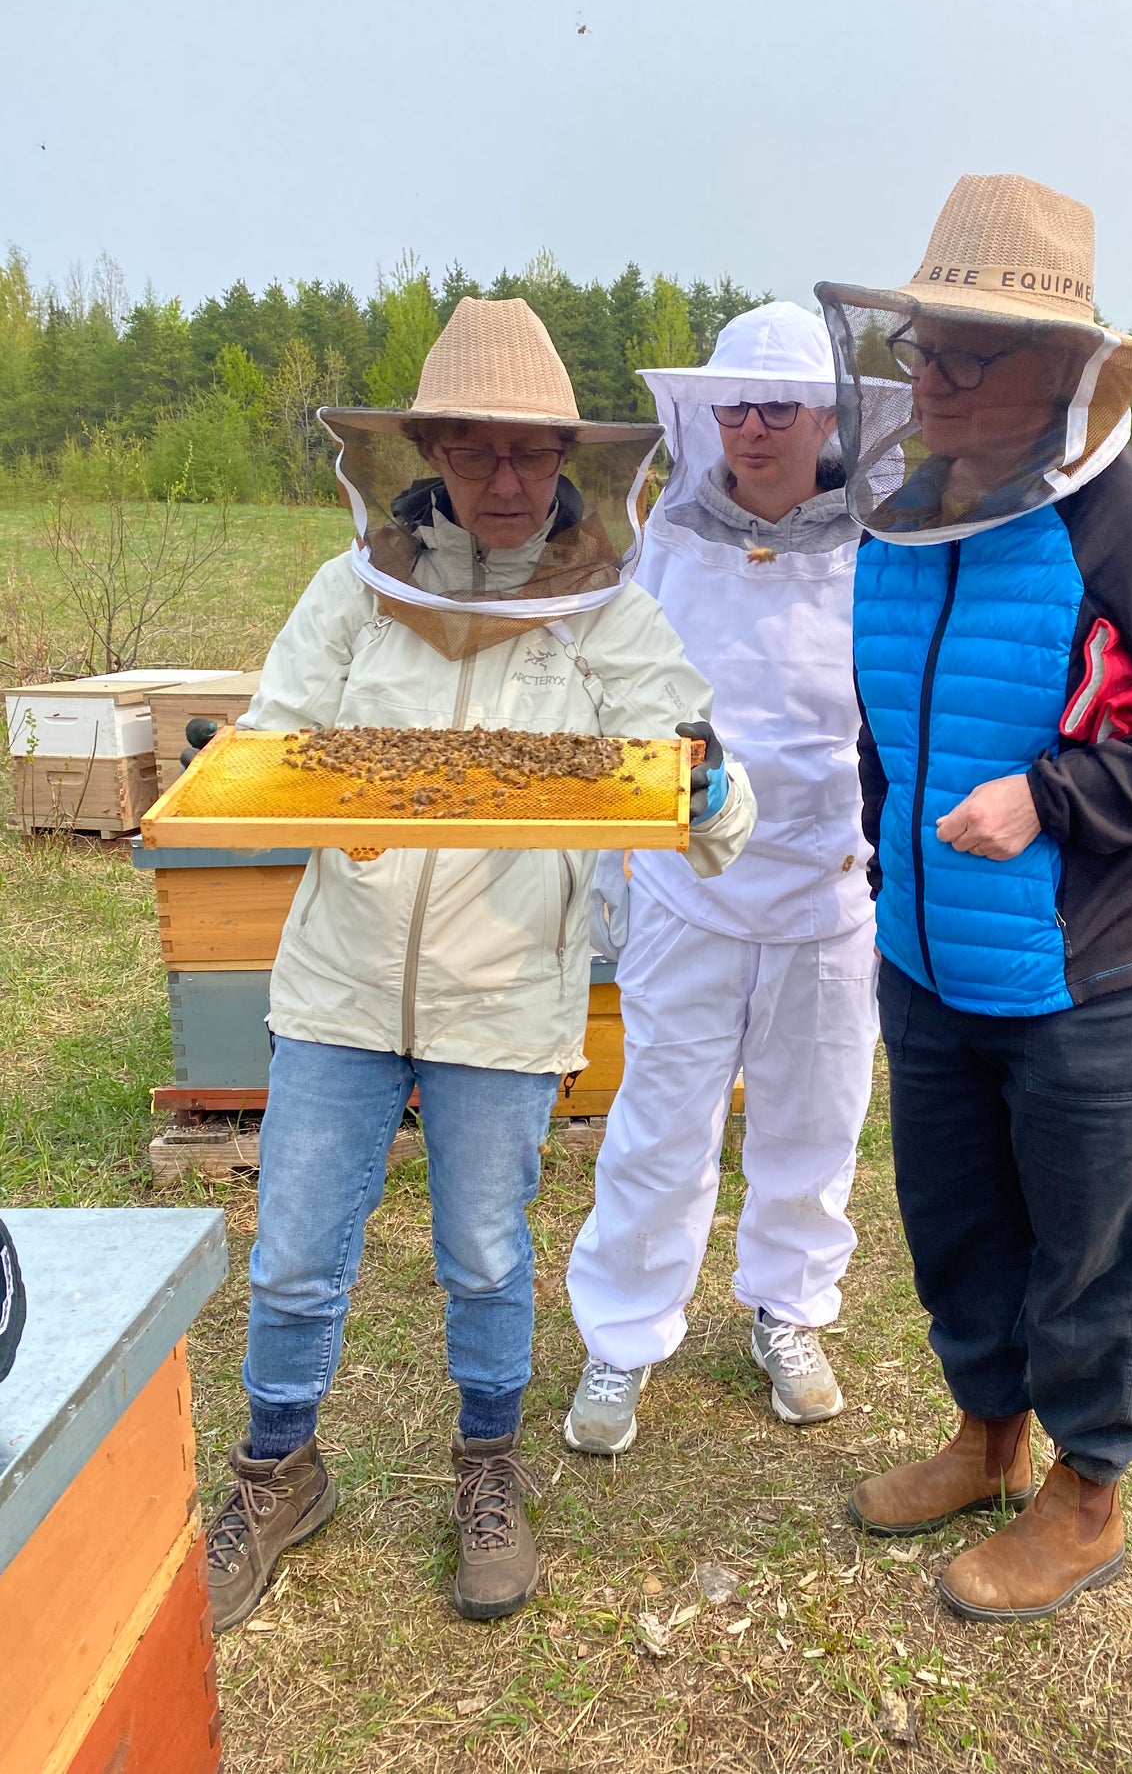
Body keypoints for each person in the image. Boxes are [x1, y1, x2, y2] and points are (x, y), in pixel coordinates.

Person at [202, 298, 755, 1633]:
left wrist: (708, 786)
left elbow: (694, 774)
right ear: (431, 452)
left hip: (506, 988)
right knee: (291, 1254)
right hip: (340, 974)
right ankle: (278, 1469)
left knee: (486, 1252)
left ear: (569, 459)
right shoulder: (352, 593)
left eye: (531, 456)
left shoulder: (602, 617)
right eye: (477, 453)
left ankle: (487, 1471)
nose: (507, 483)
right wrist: (241, 766)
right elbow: (277, 735)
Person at [814, 175, 1132, 1622]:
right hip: (930, 961)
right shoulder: (902, 523)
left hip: (1099, 980)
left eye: (972, 352)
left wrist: (1056, 795)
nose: (933, 378)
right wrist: (891, 860)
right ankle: (985, 1436)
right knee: (956, 1220)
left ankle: (1084, 1498)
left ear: (1060, 370)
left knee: (1091, 1245)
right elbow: (894, 729)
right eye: (923, 349)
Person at [563, 302, 878, 1453]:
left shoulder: (872, 546)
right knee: (657, 1121)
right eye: (733, 403)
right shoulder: (665, 541)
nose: (752, 426)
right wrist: (612, 858)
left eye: (778, 405)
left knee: (815, 1118)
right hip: (687, 885)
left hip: (831, 886)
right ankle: (620, 1335)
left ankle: (787, 1314)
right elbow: (614, 701)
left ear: (825, 417)